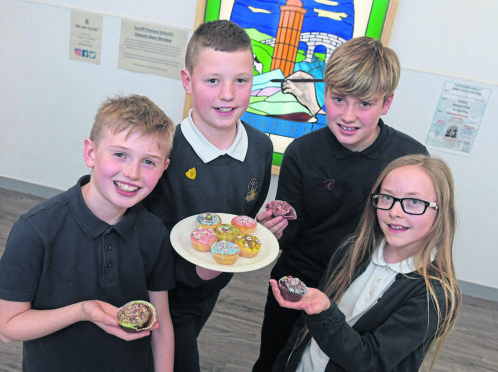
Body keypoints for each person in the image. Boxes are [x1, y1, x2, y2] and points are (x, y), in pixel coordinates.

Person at [253, 36, 430, 371]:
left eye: (365, 103)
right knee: (275, 359)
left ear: (386, 103)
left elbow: (415, 238)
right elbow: (293, 226)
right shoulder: (302, 153)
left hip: (364, 290)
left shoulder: (410, 159)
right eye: (338, 99)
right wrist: (275, 228)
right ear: (324, 92)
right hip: (298, 281)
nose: (349, 116)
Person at [0, 95, 176, 371]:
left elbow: (161, 322)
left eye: (149, 162)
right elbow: (8, 328)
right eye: (120, 154)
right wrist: (83, 311)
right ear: (90, 153)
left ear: (163, 168)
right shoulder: (34, 229)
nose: (132, 173)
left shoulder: (154, 232)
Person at [141, 20, 273, 372]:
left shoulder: (261, 147)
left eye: (240, 80)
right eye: (212, 80)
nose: (227, 94)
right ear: (187, 81)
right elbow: (144, 242)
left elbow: (242, 215)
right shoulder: (164, 153)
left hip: (213, 289)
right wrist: (197, 270)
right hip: (163, 298)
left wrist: (260, 228)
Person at [270, 154, 461, 371]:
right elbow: (303, 332)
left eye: (414, 202)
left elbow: (372, 362)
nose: (394, 212)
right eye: (387, 197)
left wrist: (323, 311)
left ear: (441, 211)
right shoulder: (353, 250)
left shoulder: (434, 295)